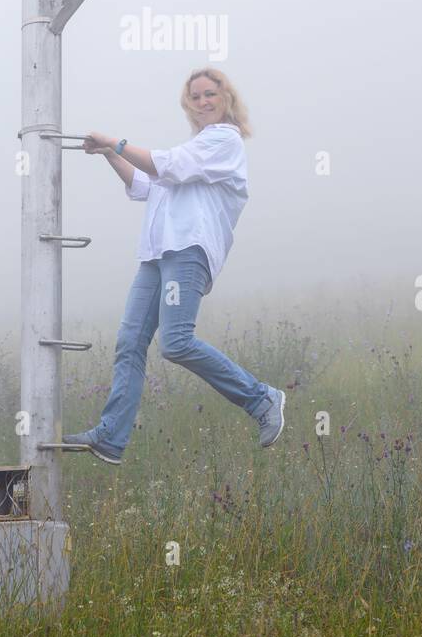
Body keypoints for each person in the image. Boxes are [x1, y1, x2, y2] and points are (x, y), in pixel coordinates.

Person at [63, 67, 285, 464]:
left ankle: (261, 398)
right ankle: (111, 437)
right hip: (156, 256)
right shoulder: (195, 147)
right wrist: (110, 154)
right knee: (129, 344)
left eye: (210, 94)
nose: (202, 102)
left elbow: (168, 166)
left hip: (188, 251)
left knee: (177, 342)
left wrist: (116, 141)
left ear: (225, 98)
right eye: (195, 96)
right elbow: (146, 185)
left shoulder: (223, 140)